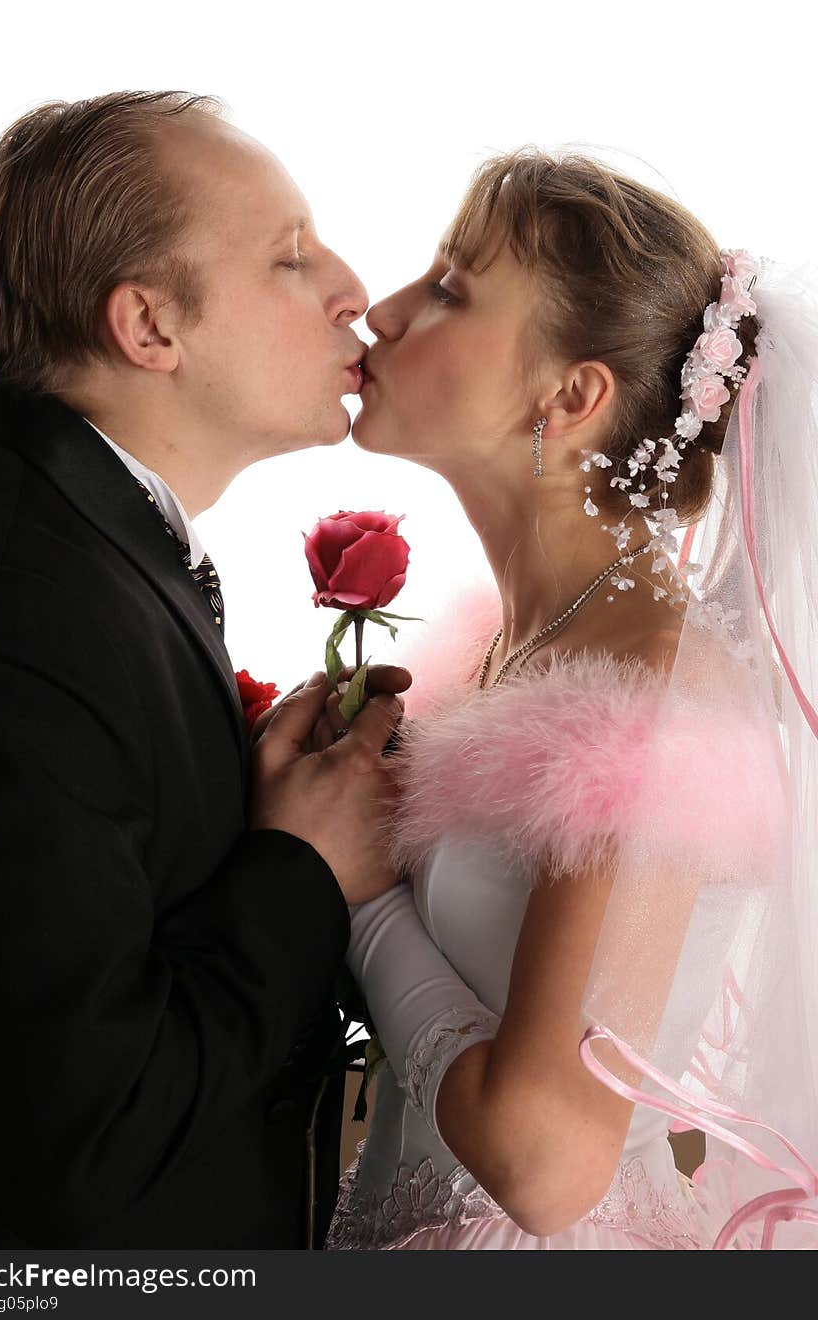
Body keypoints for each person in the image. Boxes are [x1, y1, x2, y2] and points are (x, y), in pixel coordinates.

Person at [0, 90, 411, 1249]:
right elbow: (80, 1129)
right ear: (149, 328)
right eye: (290, 258)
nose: (355, 291)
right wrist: (298, 869)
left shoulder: (77, 542)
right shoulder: (11, 599)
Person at [324, 149, 818, 1250]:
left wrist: (359, 898)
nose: (384, 312)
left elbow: (547, 1168)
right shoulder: (513, 650)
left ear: (571, 395)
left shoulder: (652, 703)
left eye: (451, 288)